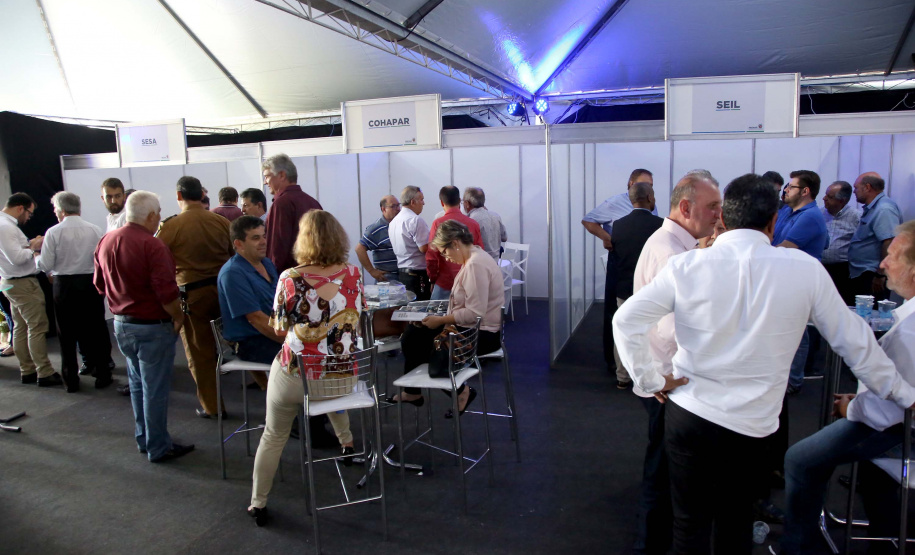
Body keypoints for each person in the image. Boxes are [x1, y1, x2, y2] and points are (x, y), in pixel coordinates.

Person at [612, 174, 915, 554]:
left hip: (690, 415)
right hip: (752, 426)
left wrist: (650, 378)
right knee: (735, 522)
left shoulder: (688, 266)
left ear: (725, 216)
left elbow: (625, 320)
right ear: (773, 222)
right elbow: (855, 343)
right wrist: (902, 393)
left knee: (688, 526)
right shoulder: (805, 270)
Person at [782, 221, 915, 554]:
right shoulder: (908, 315)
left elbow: (895, 405)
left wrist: (851, 408)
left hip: (899, 428)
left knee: (800, 460)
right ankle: (884, 530)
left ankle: (798, 548)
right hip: (897, 417)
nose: (883, 263)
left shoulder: (910, 330)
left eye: (894, 256)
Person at [248, 210, 362, 526]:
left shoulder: (290, 278)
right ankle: (348, 443)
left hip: (298, 379)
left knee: (273, 434)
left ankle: (258, 502)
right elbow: (356, 317)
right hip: (341, 380)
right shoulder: (353, 274)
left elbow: (280, 330)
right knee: (330, 365)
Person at [628, 173, 721, 555]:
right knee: (662, 472)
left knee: (664, 468)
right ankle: (649, 545)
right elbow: (669, 327)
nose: (719, 215)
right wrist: (665, 377)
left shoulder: (678, 245)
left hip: (665, 375)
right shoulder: (671, 252)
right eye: (712, 207)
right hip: (669, 379)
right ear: (685, 208)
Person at [93, 191, 194, 463]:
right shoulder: (153, 246)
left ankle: (144, 438)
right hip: (152, 326)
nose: (160, 217)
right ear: (150, 216)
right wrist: (178, 317)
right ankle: (159, 446)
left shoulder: (106, 240)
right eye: (158, 212)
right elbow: (166, 291)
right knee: (155, 390)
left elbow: (99, 285)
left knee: (137, 385)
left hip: (121, 325)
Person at [387, 220, 503, 417]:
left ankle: (461, 391)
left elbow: (474, 314)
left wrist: (440, 321)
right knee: (414, 335)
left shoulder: (475, 265)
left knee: (418, 342)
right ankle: (413, 392)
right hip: (473, 328)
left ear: (455, 243)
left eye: (444, 252)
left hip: (481, 335)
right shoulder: (474, 258)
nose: (446, 258)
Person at [157, 176, 234, 419]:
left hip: (192, 296)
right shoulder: (221, 222)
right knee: (242, 344)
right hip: (223, 292)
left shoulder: (170, 226)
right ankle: (268, 390)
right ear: (202, 194)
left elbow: (159, 262)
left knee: (200, 354)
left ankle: (213, 407)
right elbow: (234, 255)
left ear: (179, 196)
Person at [582, 168, 657, 377]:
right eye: (643, 184)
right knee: (615, 313)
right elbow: (588, 220)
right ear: (630, 184)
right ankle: (614, 363)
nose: (647, 188)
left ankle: (637, 363)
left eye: (650, 185)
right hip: (620, 263)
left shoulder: (652, 206)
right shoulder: (615, 202)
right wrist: (606, 237)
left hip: (643, 264)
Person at [37, 191, 112, 392]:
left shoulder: (53, 232)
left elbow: (45, 264)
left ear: (61, 210)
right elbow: (100, 259)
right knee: (96, 328)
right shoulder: (95, 230)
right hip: (89, 283)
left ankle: (71, 380)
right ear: (78, 207)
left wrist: (35, 256)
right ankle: (103, 373)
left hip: (64, 285)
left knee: (67, 334)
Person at [773, 170, 829, 396]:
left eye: (791, 187)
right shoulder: (787, 210)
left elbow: (784, 247)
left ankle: (794, 381)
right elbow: (772, 240)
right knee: (787, 329)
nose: (785, 190)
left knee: (798, 331)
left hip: (798, 281)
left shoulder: (810, 216)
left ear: (805, 191)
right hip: (784, 277)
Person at [0, 193, 61, 387]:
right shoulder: (6, 227)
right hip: (22, 283)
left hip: (12, 282)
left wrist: (28, 245)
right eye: (29, 213)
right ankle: (44, 372)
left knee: (20, 326)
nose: (28, 218)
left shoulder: (4, 225)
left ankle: (27, 370)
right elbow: (17, 258)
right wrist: (34, 247)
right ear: (20, 208)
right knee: (37, 326)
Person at [608, 181, 663, 389]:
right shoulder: (660, 225)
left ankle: (622, 376)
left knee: (622, 332)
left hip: (624, 288)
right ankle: (649, 377)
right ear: (650, 198)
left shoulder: (619, 225)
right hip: (650, 290)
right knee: (652, 333)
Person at [217, 216, 279, 390]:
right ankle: (300, 412)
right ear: (239, 244)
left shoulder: (266, 263)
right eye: (255, 238)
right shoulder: (232, 273)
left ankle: (306, 410)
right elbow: (256, 319)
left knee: (315, 348)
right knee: (303, 357)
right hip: (251, 342)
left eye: (264, 236)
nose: (263, 242)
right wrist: (290, 340)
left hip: (271, 332)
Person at [848, 172, 902, 301]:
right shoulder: (874, 208)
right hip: (865, 273)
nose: (854, 192)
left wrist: (880, 274)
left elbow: (889, 242)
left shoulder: (884, 209)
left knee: (871, 316)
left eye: (856, 187)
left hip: (873, 275)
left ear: (867, 187)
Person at [263, 154, 322, 273]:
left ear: (281, 175)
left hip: (291, 278)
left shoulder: (281, 204)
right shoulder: (313, 202)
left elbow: (277, 248)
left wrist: (272, 277)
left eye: (267, 176)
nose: (265, 182)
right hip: (316, 274)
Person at [426, 186, 484, 301]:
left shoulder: (438, 223)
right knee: (466, 316)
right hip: (468, 281)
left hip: (444, 281)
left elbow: (432, 256)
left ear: (442, 202)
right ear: (459, 201)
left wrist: (432, 279)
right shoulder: (473, 224)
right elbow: (480, 252)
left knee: (437, 315)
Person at [821, 180, 860, 305]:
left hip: (842, 271)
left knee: (841, 304)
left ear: (842, 201)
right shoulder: (819, 214)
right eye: (826, 194)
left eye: (829, 197)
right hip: (821, 268)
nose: (824, 198)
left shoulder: (856, 217)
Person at [389, 185, 431, 300]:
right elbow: (424, 248)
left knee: (408, 311)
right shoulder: (415, 220)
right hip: (417, 275)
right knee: (420, 311)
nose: (423, 203)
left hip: (402, 273)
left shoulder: (393, 222)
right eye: (421, 199)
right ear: (413, 202)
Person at [355, 194, 401, 283]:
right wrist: (372, 271)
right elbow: (359, 249)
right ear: (383, 209)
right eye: (393, 206)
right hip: (388, 278)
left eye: (398, 205)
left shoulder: (401, 224)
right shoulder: (376, 228)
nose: (398, 209)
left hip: (403, 276)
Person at [463, 187, 508, 260]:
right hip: (495, 262)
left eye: (463, 202)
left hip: (479, 263)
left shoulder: (471, 221)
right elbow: (504, 238)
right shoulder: (496, 216)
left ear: (467, 203)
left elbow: (466, 246)